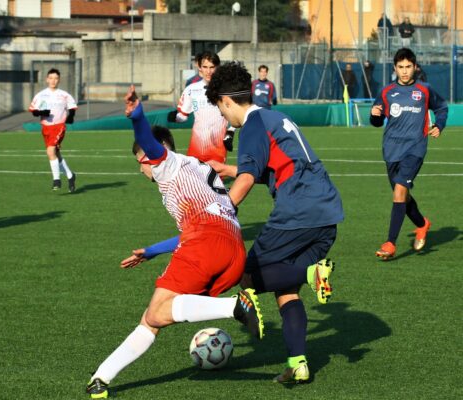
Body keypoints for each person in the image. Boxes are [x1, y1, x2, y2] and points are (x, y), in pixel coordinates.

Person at [86, 86, 264, 399]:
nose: (143, 167)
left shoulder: (164, 163)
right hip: (232, 249)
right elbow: (207, 224)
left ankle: (235, 306)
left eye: (141, 161)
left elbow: (149, 142)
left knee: (157, 313)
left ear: (147, 156)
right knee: (154, 315)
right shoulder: (201, 167)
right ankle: (101, 378)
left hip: (205, 241)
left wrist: (137, 116)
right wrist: (152, 251)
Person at [205, 61, 344, 384]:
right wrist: (227, 170)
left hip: (298, 211)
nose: (223, 117)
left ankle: (313, 272)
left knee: (244, 273)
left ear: (226, 101)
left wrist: (218, 213)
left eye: (220, 110)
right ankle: (298, 362)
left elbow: (248, 179)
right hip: (326, 212)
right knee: (286, 289)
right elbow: (277, 163)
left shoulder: (252, 126)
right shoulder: (274, 116)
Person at [370, 48, 448, 259]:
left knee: (399, 193)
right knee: (403, 197)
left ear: (415, 67)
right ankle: (422, 224)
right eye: (401, 67)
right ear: (395, 68)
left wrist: (439, 125)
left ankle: (390, 243)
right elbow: (377, 122)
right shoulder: (387, 92)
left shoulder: (425, 90)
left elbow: (441, 108)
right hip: (391, 149)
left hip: (415, 148)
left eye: (408, 67)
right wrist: (375, 115)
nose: (405, 72)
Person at [167, 51, 234, 161]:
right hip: (196, 147)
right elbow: (183, 116)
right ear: (199, 67)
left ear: (217, 68)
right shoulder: (191, 89)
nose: (208, 71)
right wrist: (174, 118)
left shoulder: (226, 90)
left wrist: (230, 132)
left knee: (214, 178)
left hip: (218, 147)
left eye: (212, 67)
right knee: (192, 177)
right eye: (205, 67)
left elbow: (239, 116)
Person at [29, 68, 77, 192]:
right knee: (56, 154)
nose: (53, 81)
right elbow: (33, 110)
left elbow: (72, 107)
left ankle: (56, 180)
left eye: (56, 78)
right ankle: (70, 175)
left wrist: (70, 116)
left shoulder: (64, 95)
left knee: (50, 152)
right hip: (46, 128)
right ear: (46, 79)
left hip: (59, 127)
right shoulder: (41, 95)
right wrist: (40, 112)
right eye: (51, 78)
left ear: (59, 80)